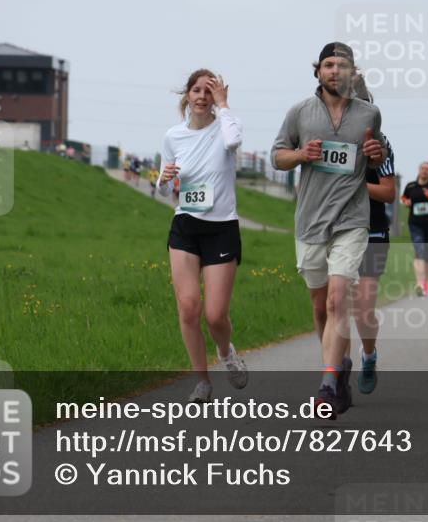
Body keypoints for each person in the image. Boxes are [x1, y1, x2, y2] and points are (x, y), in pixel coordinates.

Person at [271, 43, 386, 419]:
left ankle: (326, 385)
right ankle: (339, 366)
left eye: (342, 65)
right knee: (321, 307)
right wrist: (301, 155)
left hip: (352, 220)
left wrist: (377, 154)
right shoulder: (300, 113)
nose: (335, 70)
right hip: (310, 222)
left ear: (353, 72)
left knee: (339, 300)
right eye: (328, 65)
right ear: (318, 71)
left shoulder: (369, 113)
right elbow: (277, 156)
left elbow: (377, 158)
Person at [157, 69, 249, 404]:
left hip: (221, 228)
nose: (202, 96)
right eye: (197, 90)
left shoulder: (226, 126)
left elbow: (234, 141)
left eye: (209, 91)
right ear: (187, 95)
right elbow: (163, 188)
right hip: (185, 226)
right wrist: (164, 179)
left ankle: (226, 353)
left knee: (215, 315)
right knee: (188, 307)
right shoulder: (173, 136)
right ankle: (202, 382)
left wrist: (224, 105)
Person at [349, 76, 395, 394]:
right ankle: (336, 372)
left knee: (364, 311)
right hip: (334, 231)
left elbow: (389, 193)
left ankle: (368, 355)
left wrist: (354, 186)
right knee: (334, 308)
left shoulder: (381, 143)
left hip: (372, 232)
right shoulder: (325, 140)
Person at [401, 162, 428, 297]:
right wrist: (406, 201)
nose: (424, 171)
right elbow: (404, 197)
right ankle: (419, 284)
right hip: (415, 223)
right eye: (422, 168)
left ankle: (425, 282)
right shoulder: (411, 186)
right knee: (419, 250)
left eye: (427, 169)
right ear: (419, 170)